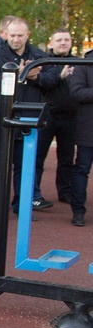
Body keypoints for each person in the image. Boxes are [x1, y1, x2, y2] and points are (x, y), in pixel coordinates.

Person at [0, 17, 59, 213]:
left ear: (27, 35)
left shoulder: (38, 55)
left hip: (28, 119)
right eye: (12, 35)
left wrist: (35, 76)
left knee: (24, 166)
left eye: (20, 35)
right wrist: (20, 74)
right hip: (0, 118)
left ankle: (21, 206)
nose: (15, 39)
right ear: (5, 34)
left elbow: (52, 78)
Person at [35, 29, 77, 205]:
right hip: (48, 115)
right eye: (59, 40)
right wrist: (60, 77)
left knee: (67, 158)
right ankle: (34, 193)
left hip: (72, 117)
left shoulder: (80, 63)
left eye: (66, 40)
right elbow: (41, 83)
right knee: (38, 156)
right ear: (51, 42)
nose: (63, 43)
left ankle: (65, 191)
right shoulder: (44, 62)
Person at [68, 52, 93, 227]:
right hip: (88, 128)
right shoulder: (84, 65)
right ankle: (78, 211)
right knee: (82, 168)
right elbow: (76, 92)